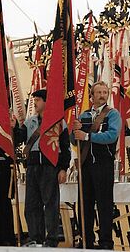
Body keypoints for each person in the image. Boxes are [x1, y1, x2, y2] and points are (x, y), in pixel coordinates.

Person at [12, 89, 70, 247]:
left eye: (38, 100)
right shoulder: (30, 122)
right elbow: (18, 138)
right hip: (32, 167)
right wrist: (14, 127)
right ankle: (34, 237)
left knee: (50, 204)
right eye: (35, 99)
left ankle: (51, 239)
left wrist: (63, 168)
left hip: (50, 167)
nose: (35, 103)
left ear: (46, 102)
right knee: (31, 204)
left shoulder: (58, 122)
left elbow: (65, 147)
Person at [72, 81, 122, 249]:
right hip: (86, 164)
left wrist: (86, 136)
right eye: (99, 92)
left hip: (103, 164)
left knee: (104, 204)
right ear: (91, 96)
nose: (102, 95)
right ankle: (86, 240)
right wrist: (75, 130)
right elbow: (75, 140)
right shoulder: (84, 115)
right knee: (84, 204)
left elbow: (112, 136)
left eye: (105, 92)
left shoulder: (113, 114)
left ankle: (106, 242)